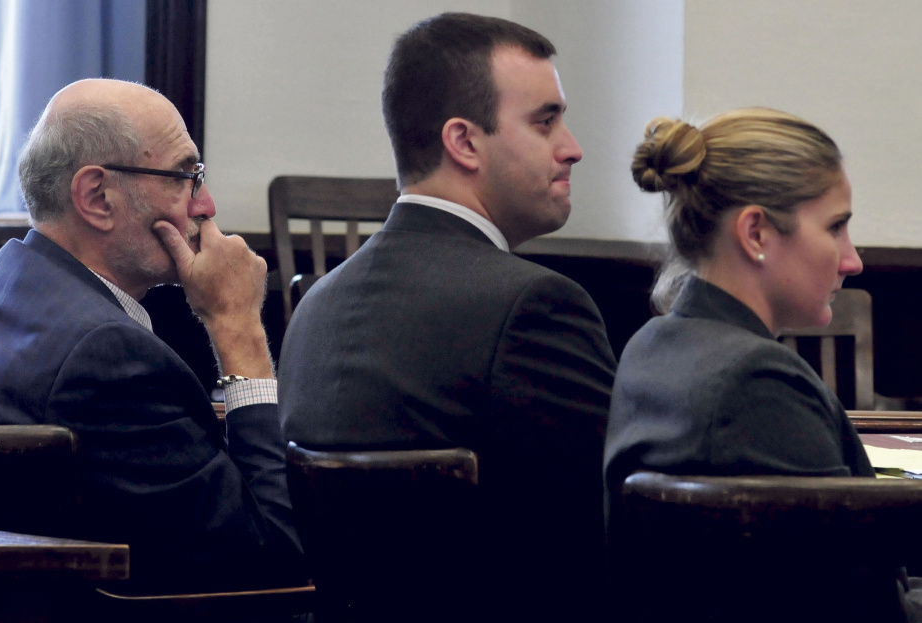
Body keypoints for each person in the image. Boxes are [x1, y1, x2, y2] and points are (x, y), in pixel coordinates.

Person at [278, 12, 616, 621]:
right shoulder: (534, 307)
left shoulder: (317, 305)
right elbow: (616, 535)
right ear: (463, 142)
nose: (572, 147)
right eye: (546, 121)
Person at [0, 79, 304, 594]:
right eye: (184, 177)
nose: (206, 204)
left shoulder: (5, 292)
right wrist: (238, 325)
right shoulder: (106, 356)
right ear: (97, 197)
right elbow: (274, 557)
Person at [603, 108, 920, 621]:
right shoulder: (754, 383)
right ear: (755, 233)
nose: (853, 259)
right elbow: (859, 605)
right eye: (835, 227)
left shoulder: (654, 344)